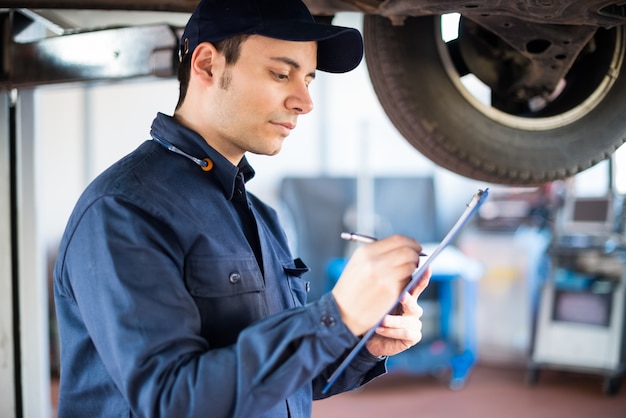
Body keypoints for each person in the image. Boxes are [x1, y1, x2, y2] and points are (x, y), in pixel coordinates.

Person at [53, 0, 431, 416]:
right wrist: (335, 316)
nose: (305, 102)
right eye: (281, 74)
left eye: (309, 80)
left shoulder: (260, 216)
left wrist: (364, 341)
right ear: (207, 65)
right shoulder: (124, 211)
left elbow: (283, 382)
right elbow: (171, 400)